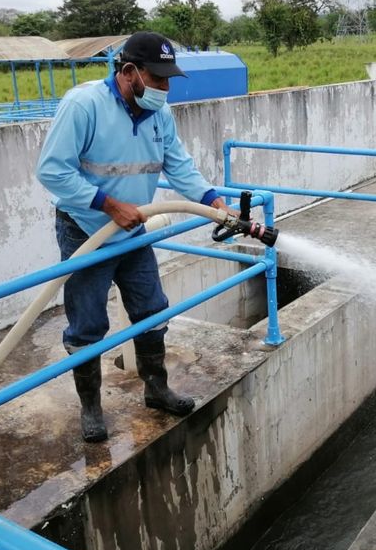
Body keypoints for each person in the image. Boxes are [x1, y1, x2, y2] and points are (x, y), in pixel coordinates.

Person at [36, 31, 234, 443]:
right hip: (85, 229)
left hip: (134, 229)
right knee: (87, 324)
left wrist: (213, 200)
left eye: (168, 80)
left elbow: (178, 165)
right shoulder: (83, 105)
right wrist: (109, 205)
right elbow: (52, 170)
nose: (164, 88)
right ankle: (91, 407)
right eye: (157, 79)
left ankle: (156, 389)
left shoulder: (159, 114)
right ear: (129, 72)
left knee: (152, 310)